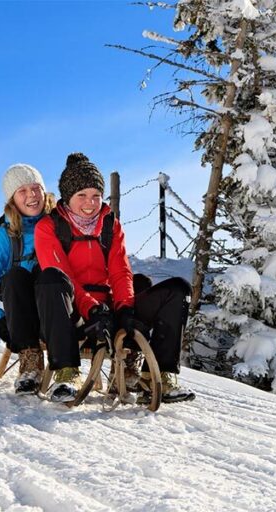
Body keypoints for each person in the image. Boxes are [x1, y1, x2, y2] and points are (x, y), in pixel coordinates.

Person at [34, 152, 195, 404]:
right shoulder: (49, 227)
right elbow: (63, 275)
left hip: (107, 310)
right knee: (52, 279)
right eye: (82, 196)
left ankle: (157, 378)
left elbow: (120, 271)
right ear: (67, 196)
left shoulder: (110, 224)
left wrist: (125, 309)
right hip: (69, 312)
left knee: (177, 289)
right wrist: (92, 309)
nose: (90, 203)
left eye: (96, 195)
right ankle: (67, 373)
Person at [0, 163, 55, 394]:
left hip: (59, 309)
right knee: (16, 276)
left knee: (49, 274)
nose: (32, 196)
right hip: (24, 314)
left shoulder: (60, 223)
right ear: (12, 200)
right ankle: (30, 361)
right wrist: (1, 324)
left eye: (36, 188)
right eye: (22, 191)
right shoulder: (4, 237)